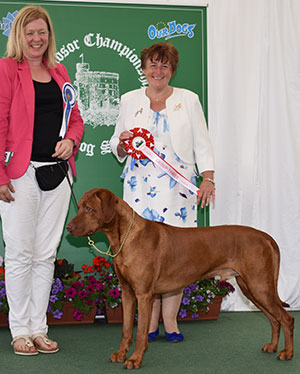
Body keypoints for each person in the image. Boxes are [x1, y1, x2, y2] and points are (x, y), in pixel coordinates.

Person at [110, 42, 215, 342]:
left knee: (175, 255)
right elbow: (116, 142)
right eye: (153, 65)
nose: (158, 71)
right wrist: (121, 143)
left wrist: (208, 177)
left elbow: (202, 142)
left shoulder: (189, 99)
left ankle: (171, 323)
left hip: (177, 189)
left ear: (172, 70)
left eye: (164, 65)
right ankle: (149, 324)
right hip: (139, 187)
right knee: (142, 256)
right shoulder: (129, 100)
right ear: (143, 69)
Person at [0, 6, 84, 355]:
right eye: (29, 32)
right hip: (19, 175)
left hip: (58, 175)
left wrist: (71, 142)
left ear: (50, 36)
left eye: (42, 32)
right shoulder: (6, 70)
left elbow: (76, 119)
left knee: (46, 254)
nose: (36, 39)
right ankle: (20, 330)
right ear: (19, 36)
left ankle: (39, 328)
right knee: (20, 254)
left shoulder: (60, 71)